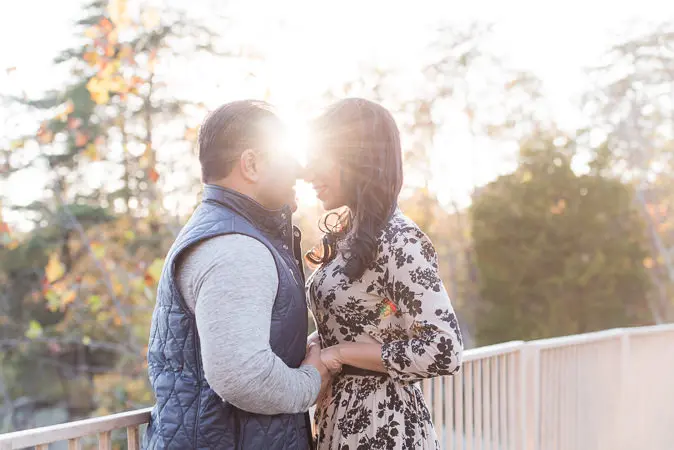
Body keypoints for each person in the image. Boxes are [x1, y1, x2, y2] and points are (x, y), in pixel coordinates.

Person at [143, 100, 330, 450]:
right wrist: (313, 380)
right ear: (252, 164)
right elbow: (242, 375)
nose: (300, 171)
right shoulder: (236, 248)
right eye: (287, 158)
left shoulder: (226, 232)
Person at [304, 98, 464, 449]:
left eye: (320, 158)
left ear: (355, 158)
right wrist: (319, 345)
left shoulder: (399, 239)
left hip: (383, 425)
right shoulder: (352, 234)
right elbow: (375, 316)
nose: (309, 172)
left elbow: (444, 348)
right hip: (340, 418)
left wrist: (340, 354)